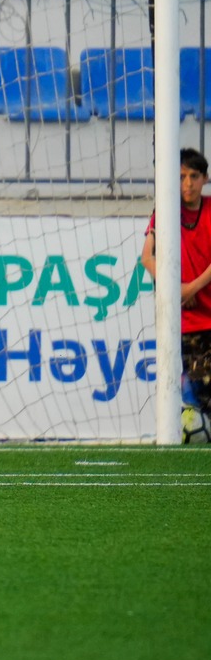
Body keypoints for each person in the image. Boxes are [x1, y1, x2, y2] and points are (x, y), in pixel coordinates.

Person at [141, 147, 211, 443]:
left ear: (205, 178)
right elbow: (147, 257)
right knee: (198, 395)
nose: (188, 183)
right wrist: (172, 286)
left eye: (194, 176)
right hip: (184, 323)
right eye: (181, 176)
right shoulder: (165, 212)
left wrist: (190, 288)